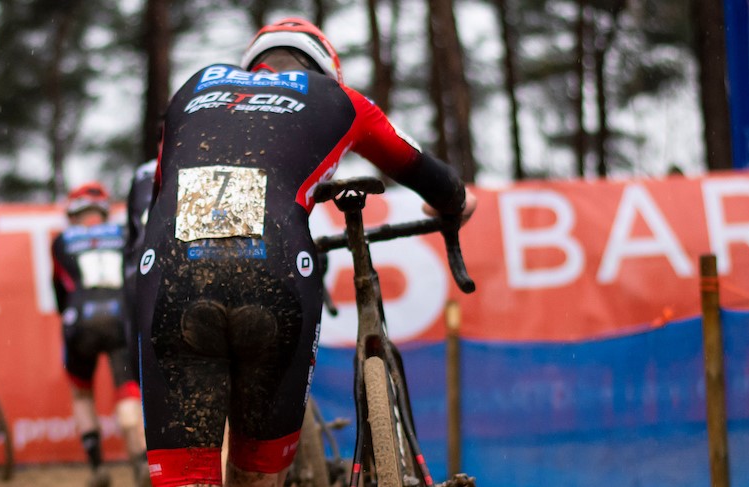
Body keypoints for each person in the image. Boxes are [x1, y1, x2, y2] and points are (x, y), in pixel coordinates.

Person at [135, 17, 477, 487]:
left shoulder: (194, 89)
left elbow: (157, 196)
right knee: (257, 476)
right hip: (274, 272)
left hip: (174, 271)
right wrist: (458, 202)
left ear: (254, 63)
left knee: (186, 477)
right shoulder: (340, 99)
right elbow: (422, 169)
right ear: (326, 69)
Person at [51, 182, 150, 487]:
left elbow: (59, 291)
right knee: (129, 392)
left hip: (80, 320)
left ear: (73, 212)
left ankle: (96, 468)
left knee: (82, 393)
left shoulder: (61, 241)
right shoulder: (122, 233)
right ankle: (141, 462)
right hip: (121, 317)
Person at [122, 158, 158, 381]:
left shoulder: (143, 173)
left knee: (144, 374)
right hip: (185, 266)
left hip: (143, 271)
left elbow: (131, 239)